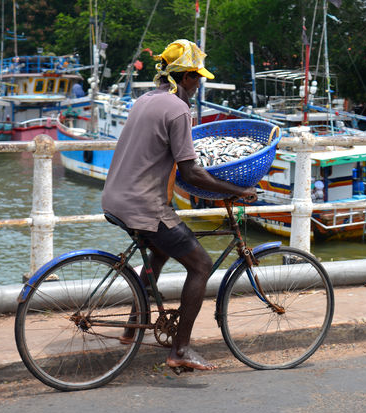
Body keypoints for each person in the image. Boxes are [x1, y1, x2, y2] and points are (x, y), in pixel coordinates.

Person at [101, 39, 256, 371]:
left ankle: (132, 328)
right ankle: (180, 351)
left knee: (159, 252)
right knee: (200, 265)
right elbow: (191, 171)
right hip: (144, 204)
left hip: (116, 197)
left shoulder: (145, 100)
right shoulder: (178, 108)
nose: (198, 85)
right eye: (196, 78)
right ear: (184, 77)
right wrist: (237, 190)